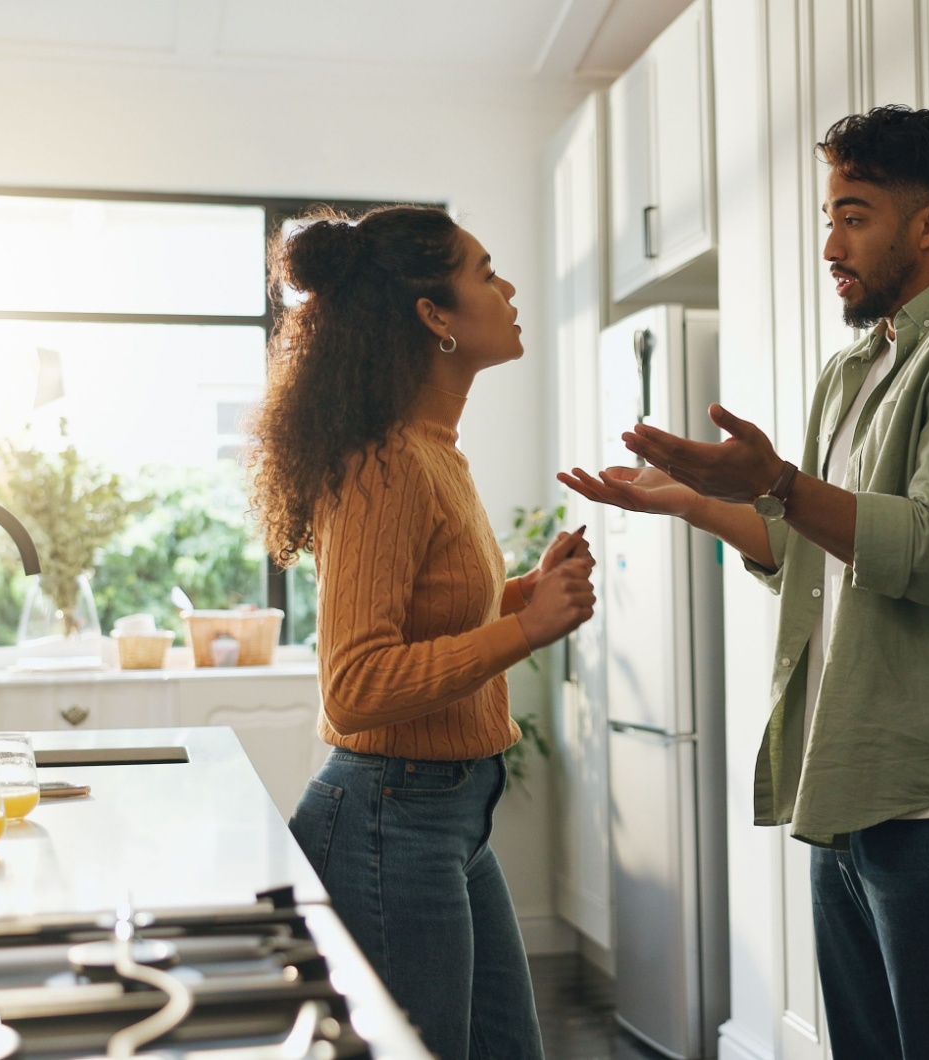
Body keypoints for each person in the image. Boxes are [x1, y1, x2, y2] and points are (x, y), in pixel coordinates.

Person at [561, 106, 929, 1059]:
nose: (829, 245)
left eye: (853, 215)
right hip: (854, 780)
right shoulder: (861, 366)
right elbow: (815, 555)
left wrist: (775, 482)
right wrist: (691, 502)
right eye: (828, 216)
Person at [250, 204, 594, 1060]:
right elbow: (358, 686)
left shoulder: (432, 448)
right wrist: (525, 633)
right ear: (434, 317)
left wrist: (523, 598)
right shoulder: (387, 462)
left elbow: (432, 617)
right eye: (485, 272)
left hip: (443, 817)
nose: (508, 288)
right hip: (387, 817)